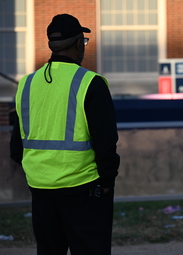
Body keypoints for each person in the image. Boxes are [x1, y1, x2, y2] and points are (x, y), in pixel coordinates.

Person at [10, 14, 120, 255]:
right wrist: (107, 181)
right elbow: (105, 141)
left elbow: (16, 148)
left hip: (40, 190)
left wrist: (42, 172)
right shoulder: (91, 83)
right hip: (84, 189)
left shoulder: (26, 84)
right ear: (80, 43)